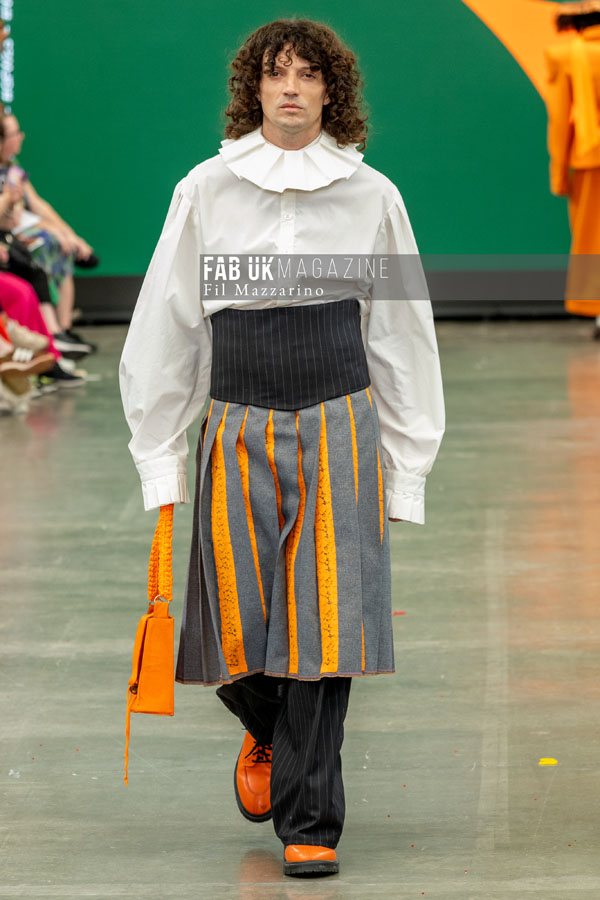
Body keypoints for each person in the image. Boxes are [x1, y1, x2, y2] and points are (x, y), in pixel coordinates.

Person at [120, 18, 445, 878]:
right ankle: (266, 728)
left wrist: (406, 465)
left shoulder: (373, 196)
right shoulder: (205, 190)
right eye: (277, 73)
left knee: (327, 625)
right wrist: (161, 454)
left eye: (308, 74)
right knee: (233, 625)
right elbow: (169, 324)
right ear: (254, 88)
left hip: (341, 422)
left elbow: (401, 333)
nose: (291, 87)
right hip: (236, 421)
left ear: (332, 91)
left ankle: (312, 821)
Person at [544, 0, 600, 337]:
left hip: (591, 158)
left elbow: (560, 118)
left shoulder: (566, 55)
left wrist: (559, 173)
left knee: (593, 237)